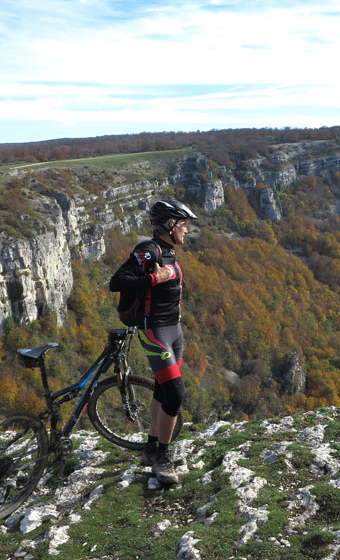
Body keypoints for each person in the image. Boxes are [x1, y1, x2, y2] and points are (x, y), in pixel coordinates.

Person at [109, 199, 198, 485]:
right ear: (170, 225)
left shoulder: (169, 251)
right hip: (155, 331)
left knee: (162, 390)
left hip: (174, 331)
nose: (187, 231)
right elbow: (117, 281)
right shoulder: (148, 251)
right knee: (175, 394)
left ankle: (151, 449)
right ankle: (163, 458)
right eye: (183, 225)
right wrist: (150, 279)